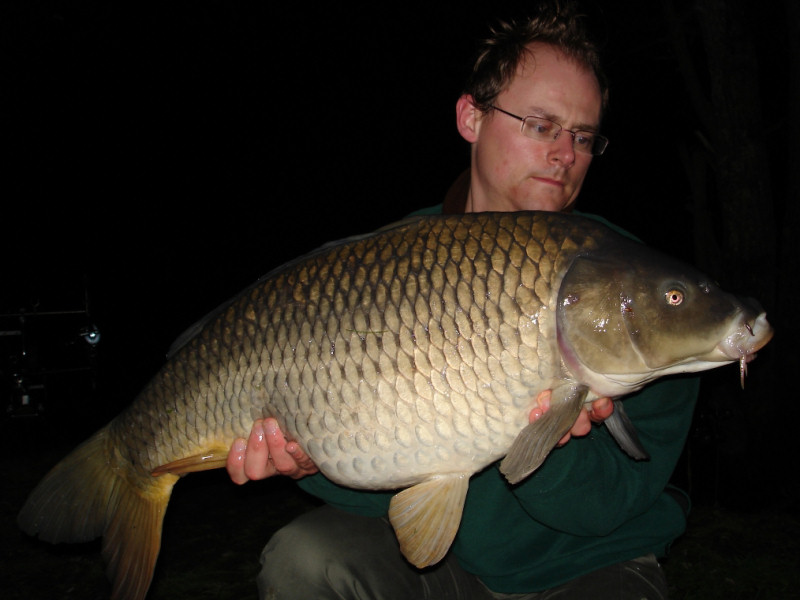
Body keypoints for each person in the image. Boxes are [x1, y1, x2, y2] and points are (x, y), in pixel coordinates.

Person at [227, 2, 699, 598]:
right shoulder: (386, 269)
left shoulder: (637, 293)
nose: (565, 153)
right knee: (305, 559)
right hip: (450, 569)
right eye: (541, 125)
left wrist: (547, 445)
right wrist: (310, 463)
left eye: (583, 136)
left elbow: (605, 508)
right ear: (471, 118)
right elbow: (379, 476)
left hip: (590, 567)